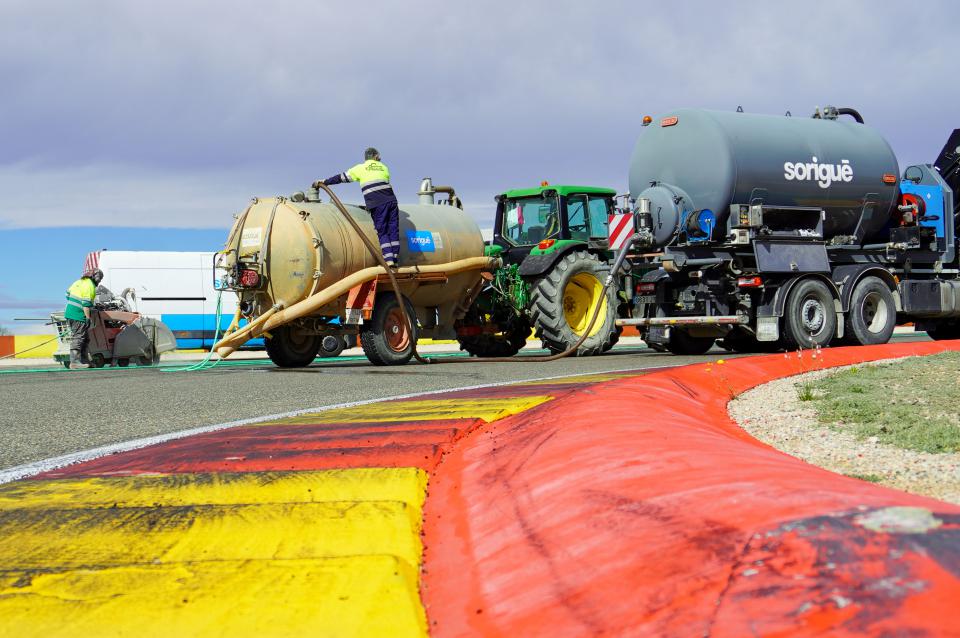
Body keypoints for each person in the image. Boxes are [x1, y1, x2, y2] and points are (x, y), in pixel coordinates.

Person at [315, 147, 400, 266]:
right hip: (391, 201)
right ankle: (395, 258)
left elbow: (341, 178)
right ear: (376, 156)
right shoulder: (384, 167)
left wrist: (325, 181)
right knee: (393, 229)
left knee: (383, 231)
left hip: (377, 203)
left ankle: (389, 259)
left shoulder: (360, 168)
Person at [64, 268, 102, 369]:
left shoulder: (78, 282)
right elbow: (86, 304)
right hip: (78, 314)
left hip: (70, 313)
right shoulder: (90, 285)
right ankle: (74, 362)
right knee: (79, 337)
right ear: (96, 277)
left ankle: (83, 360)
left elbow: (67, 294)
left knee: (85, 338)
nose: (100, 281)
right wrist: (88, 317)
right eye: (100, 279)